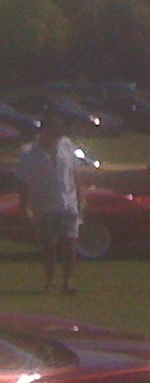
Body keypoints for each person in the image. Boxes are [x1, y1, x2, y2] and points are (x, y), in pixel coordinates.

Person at [15, 113, 88, 293]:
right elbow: (24, 181)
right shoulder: (28, 153)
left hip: (68, 202)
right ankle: (49, 280)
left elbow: (74, 172)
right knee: (48, 245)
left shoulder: (66, 145)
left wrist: (81, 196)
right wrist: (25, 206)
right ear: (45, 132)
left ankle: (68, 281)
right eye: (54, 132)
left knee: (70, 242)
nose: (57, 137)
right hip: (44, 204)